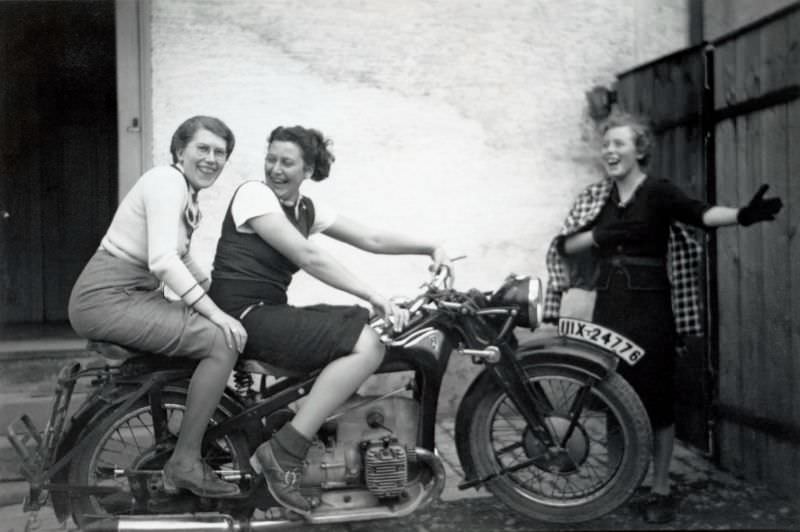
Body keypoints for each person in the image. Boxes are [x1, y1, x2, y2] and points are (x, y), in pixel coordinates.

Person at [544, 111, 783, 524]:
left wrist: (743, 215)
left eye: (619, 143)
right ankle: (619, 482)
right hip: (609, 307)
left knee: (655, 398)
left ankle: (660, 487)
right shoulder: (595, 198)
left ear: (640, 150)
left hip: (651, 307)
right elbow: (567, 247)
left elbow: (701, 214)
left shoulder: (658, 192)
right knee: (611, 394)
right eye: (606, 145)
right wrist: (603, 234)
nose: (610, 151)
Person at [208, 125, 452, 516]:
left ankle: (302, 437)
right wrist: (373, 295)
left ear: (307, 169)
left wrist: (429, 246)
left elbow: (371, 239)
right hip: (243, 315)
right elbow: (309, 256)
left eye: (287, 162)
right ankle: (285, 450)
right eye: (271, 159)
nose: (275, 169)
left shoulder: (305, 209)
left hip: (267, 312)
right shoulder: (254, 196)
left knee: (359, 332)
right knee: (366, 343)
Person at [68, 116, 248, 498]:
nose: (212, 159)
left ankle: (197, 441)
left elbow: (185, 264)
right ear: (180, 151)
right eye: (203, 148)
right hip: (108, 299)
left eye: (220, 153)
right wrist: (218, 316)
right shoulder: (166, 183)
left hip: (127, 296)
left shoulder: (183, 191)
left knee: (218, 333)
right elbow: (164, 262)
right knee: (222, 343)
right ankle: (184, 463)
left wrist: (232, 305)